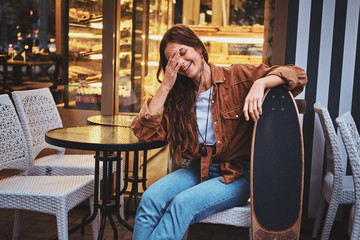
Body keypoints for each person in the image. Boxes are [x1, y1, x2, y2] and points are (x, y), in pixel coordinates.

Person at [130, 24, 307, 240]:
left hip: (236, 174)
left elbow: (297, 75)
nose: (181, 62)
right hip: (197, 168)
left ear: (199, 48)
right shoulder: (178, 95)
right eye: (172, 60)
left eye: (183, 52)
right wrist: (166, 85)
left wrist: (260, 83)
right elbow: (144, 132)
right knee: (149, 199)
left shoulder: (237, 77)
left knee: (181, 205)